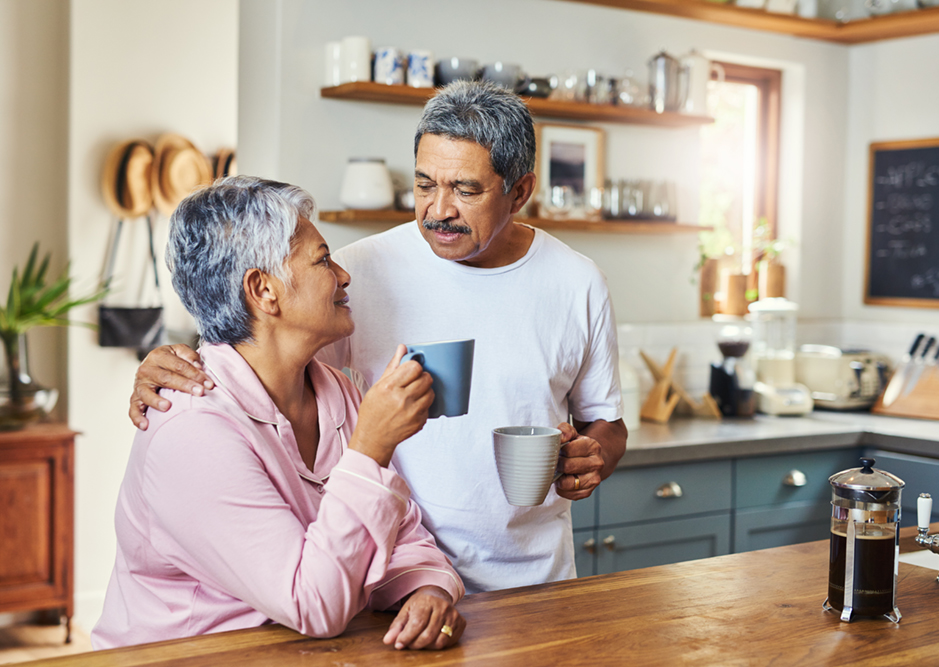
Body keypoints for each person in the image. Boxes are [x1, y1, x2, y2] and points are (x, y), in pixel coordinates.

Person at [129, 81, 627, 594]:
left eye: (466, 189)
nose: (439, 210)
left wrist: (593, 454)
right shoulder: (360, 272)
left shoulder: (576, 281)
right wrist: (170, 366)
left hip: (536, 579)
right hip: (392, 581)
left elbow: (605, 422)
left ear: (519, 191)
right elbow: (257, 355)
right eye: (425, 184)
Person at [92, 177, 465, 650]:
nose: (343, 276)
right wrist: (370, 448)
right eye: (322, 259)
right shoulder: (191, 431)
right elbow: (314, 605)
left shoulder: (336, 392)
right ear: (263, 289)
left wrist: (426, 588)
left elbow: (403, 536)